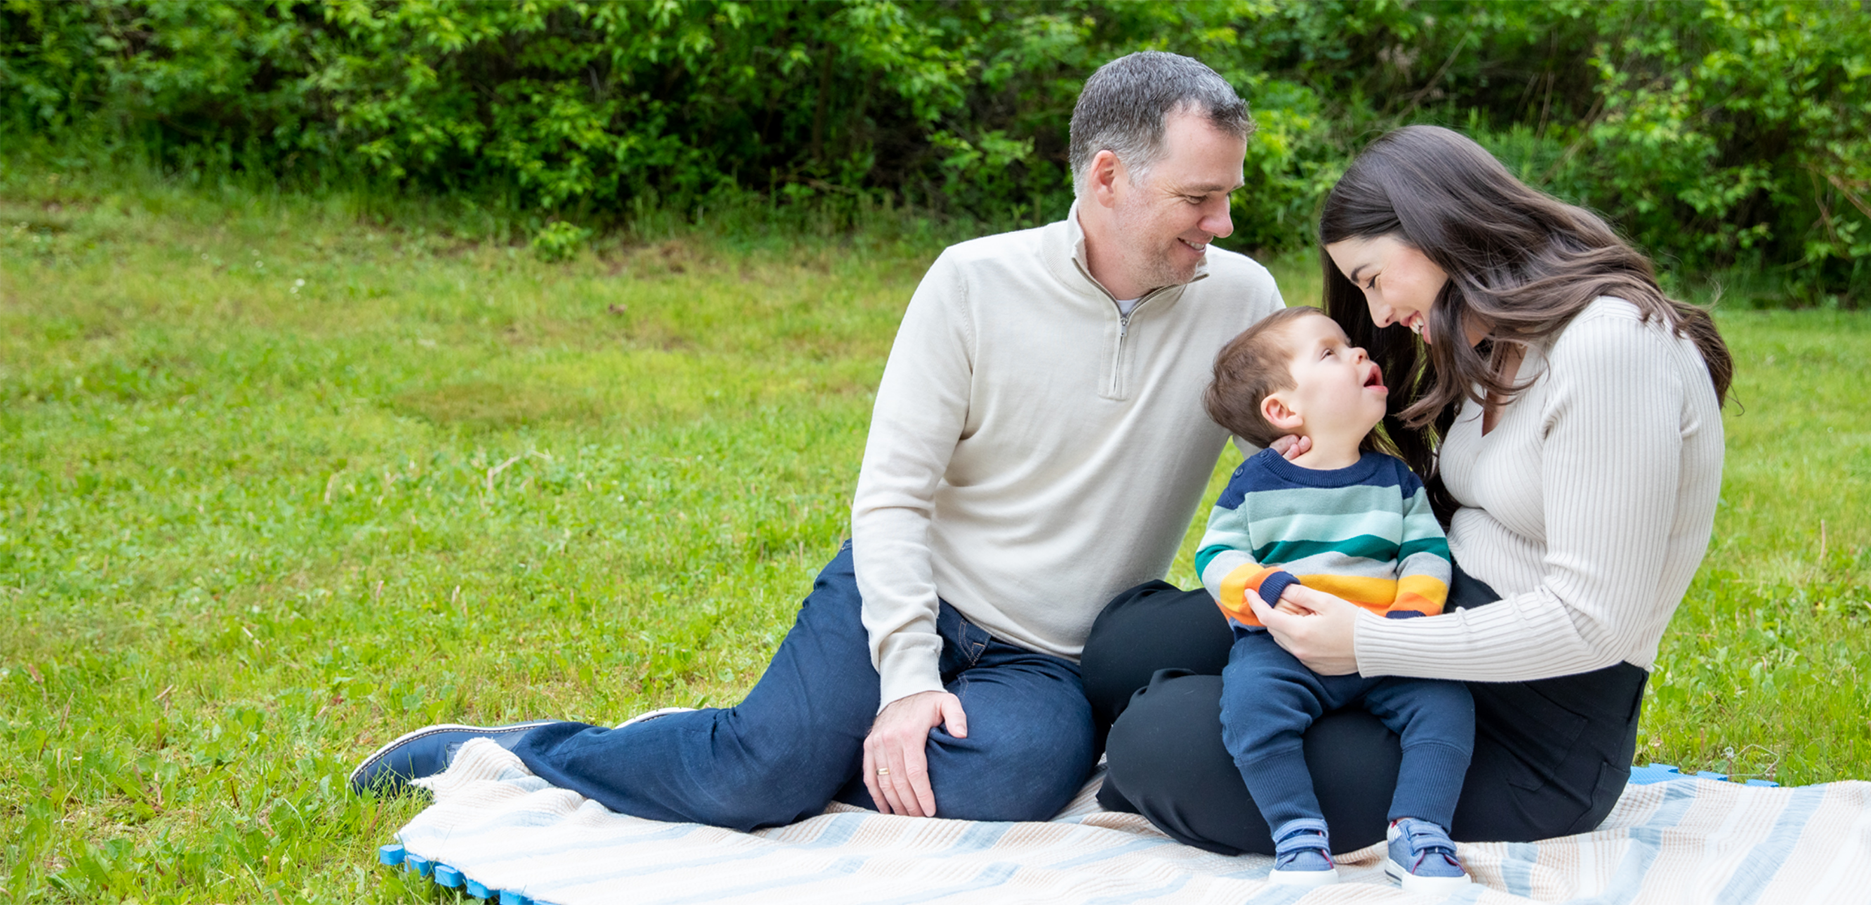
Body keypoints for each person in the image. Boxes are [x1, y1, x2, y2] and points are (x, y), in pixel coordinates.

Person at [347, 51, 1285, 830]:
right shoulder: (972, 282)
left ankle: (795, 743)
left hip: (1052, 656)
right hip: (916, 590)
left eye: (1229, 197)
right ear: (1108, 177)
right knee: (754, 783)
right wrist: (909, 677)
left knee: (1009, 785)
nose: (1224, 224)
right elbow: (891, 495)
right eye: (1201, 198)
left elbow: (1288, 466)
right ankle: (528, 750)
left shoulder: (1242, 298)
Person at [1081, 123, 1733, 856]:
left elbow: (1594, 621)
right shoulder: (1504, 337)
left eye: (1370, 278)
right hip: (1418, 611)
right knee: (1121, 645)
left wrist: (1369, 644)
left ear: (1436, 225)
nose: (1381, 314)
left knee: (1155, 737)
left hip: (1531, 733)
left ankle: (1206, 717)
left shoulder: (1614, 345)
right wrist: (1320, 455)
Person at [1198, 307, 1473, 892]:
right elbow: (1216, 557)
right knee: (1249, 706)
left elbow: (1425, 555)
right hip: (1285, 647)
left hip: (1386, 642)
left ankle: (1419, 829)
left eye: (1350, 346)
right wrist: (1270, 590)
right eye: (1329, 352)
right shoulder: (1257, 484)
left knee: (1447, 704)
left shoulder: (1394, 480)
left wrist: (1405, 621)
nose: (1358, 354)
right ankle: (1297, 831)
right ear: (1283, 410)